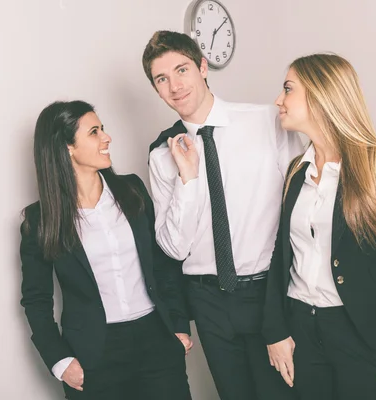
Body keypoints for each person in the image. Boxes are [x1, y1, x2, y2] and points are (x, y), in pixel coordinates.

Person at [143, 30, 303, 400]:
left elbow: (298, 208)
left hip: (268, 293)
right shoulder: (161, 154)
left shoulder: (268, 122)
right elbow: (173, 248)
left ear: (203, 67)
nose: (174, 86)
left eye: (181, 70)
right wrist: (188, 179)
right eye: (161, 79)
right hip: (207, 300)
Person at [262, 53, 376, 400]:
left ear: (321, 96)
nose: (279, 99)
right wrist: (274, 330)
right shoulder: (296, 170)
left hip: (362, 333)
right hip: (301, 329)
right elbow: (281, 256)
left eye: (288, 89)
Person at [19, 100, 192, 400]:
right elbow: (36, 299)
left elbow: (162, 263)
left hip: (157, 339)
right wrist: (60, 361)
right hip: (93, 354)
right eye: (94, 132)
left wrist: (178, 324)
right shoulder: (40, 221)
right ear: (67, 148)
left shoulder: (132, 190)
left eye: (103, 129)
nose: (106, 138)